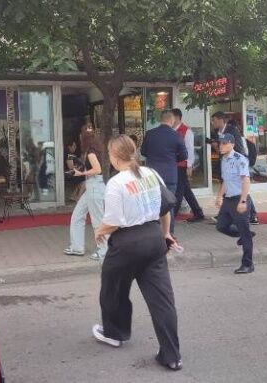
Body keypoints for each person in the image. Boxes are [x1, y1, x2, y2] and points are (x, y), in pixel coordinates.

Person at [92, 135, 182, 371]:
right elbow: (165, 208)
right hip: (154, 240)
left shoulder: (116, 183)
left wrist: (99, 231)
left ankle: (114, 333)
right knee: (163, 301)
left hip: (127, 244)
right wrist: (166, 234)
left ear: (114, 156)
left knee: (112, 289)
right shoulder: (151, 174)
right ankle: (172, 356)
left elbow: (113, 221)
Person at [141, 110, 187, 234]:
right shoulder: (176, 136)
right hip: (170, 175)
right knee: (169, 204)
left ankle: (153, 233)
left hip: (152, 175)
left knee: (152, 204)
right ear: (172, 120)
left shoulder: (150, 134)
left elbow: (143, 152)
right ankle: (169, 234)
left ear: (161, 120)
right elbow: (184, 155)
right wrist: (172, 160)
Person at [214, 133, 255, 273]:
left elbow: (246, 180)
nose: (221, 146)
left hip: (240, 198)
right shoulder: (224, 160)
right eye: (220, 143)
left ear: (232, 144)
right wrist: (219, 196)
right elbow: (226, 181)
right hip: (228, 199)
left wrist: (243, 201)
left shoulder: (240, 159)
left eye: (224, 143)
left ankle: (248, 264)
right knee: (221, 226)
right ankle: (245, 234)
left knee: (245, 234)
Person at [64, 128, 107, 260]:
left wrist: (81, 173)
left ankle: (104, 250)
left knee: (97, 220)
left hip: (94, 187)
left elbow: (97, 170)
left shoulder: (90, 153)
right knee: (77, 216)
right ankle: (77, 247)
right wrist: (82, 170)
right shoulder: (95, 151)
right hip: (93, 186)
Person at [171, 108, 205, 222]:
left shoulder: (186, 131)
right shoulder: (171, 130)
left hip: (182, 165)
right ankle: (198, 212)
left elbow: (190, 150)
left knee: (179, 190)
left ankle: (172, 215)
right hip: (173, 164)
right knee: (185, 190)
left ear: (177, 117)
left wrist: (189, 165)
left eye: (171, 117)